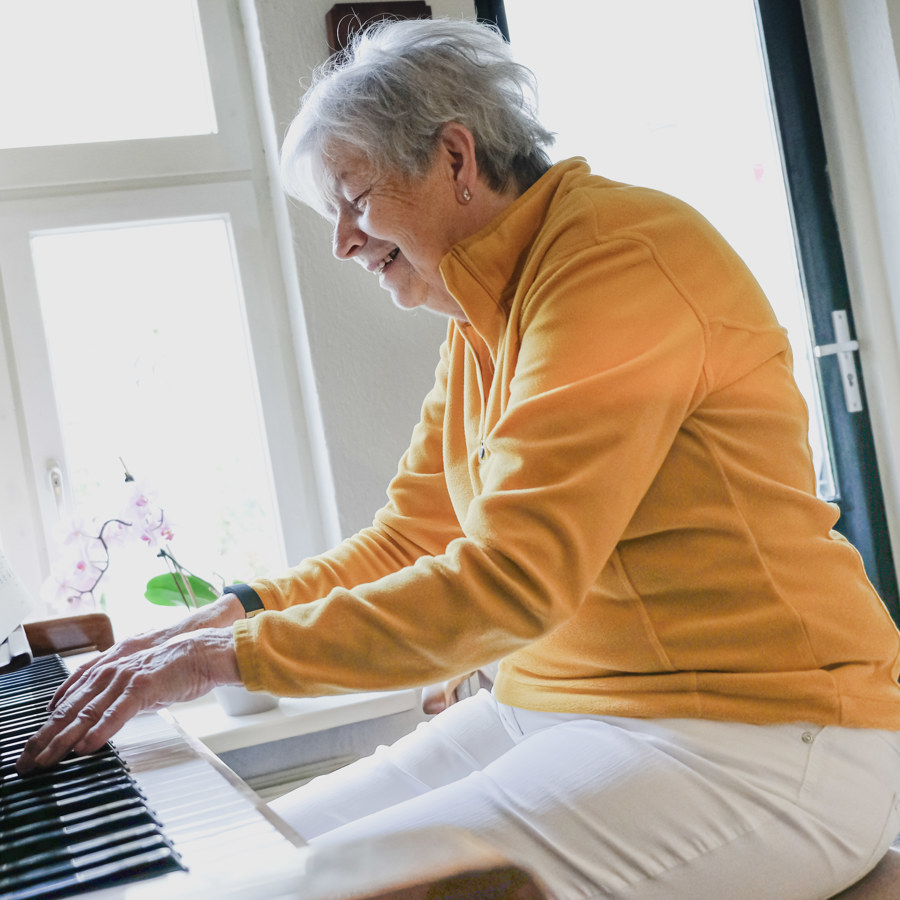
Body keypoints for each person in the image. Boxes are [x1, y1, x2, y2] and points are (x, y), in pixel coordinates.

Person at [17, 17, 900, 899]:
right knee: (243, 859)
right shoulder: (485, 308)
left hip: (765, 732)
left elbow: (513, 579)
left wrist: (221, 661)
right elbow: (411, 538)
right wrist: (227, 615)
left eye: (354, 202)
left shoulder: (612, 261)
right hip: (559, 705)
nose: (344, 243)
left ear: (454, 157)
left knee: (292, 893)